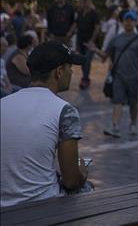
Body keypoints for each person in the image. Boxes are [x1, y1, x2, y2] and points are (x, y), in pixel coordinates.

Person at [0, 41, 89, 207]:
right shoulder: (65, 111)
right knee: (86, 190)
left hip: (4, 207)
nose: (72, 72)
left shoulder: (3, 103)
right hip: (42, 206)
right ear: (59, 72)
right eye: (70, 67)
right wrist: (82, 173)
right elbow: (71, 180)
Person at [92, 11, 138, 138]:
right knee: (118, 101)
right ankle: (115, 126)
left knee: (134, 103)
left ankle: (133, 124)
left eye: (131, 20)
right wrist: (94, 49)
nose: (129, 23)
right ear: (123, 22)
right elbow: (105, 56)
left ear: (135, 22)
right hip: (118, 76)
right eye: (126, 20)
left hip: (134, 77)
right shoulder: (116, 39)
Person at [74, 0, 99, 90]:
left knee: (87, 60)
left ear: (85, 3)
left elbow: (97, 27)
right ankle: (85, 78)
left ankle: (85, 79)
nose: (79, 4)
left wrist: (92, 40)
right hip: (80, 40)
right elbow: (76, 24)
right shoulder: (79, 13)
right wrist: (70, 33)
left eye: (80, 2)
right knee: (82, 60)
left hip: (89, 41)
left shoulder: (93, 13)